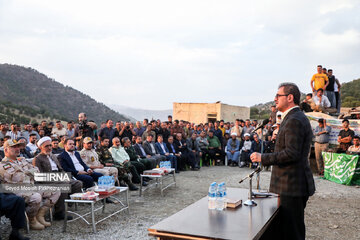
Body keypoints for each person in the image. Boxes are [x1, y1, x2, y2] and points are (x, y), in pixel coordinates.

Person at [250, 82, 315, 240]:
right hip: (289, 184)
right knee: (284, 229)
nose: (275, 99)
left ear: (290, 97)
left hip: (291, 185)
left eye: (278, 95)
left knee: (292, 232)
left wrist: (262, 158)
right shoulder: (293, 117)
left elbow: (291, 153)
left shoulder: (295, 119)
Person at [0, 139, 61, 230]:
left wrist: (26, 173)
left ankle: (40, 214)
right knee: (36, 197)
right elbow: (18, 179)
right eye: (13, 147)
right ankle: (31, 220)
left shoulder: (22, 160)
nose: (17, 149)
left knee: (55, 190)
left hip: (30, 187)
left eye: (18, 146)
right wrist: (29, 173)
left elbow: (37, 171)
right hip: (15, 190)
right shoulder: (3, 165)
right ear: (6, 150)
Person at [34, 136, 82, 220]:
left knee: (78, 183)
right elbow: (39, 177)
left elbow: (61, 169)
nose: (49, 148)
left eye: (50, 145)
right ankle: (59, 213)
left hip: (59, 177)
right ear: (40, 147)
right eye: (46, 146)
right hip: (48, 180)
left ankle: (66, 203)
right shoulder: (37, 159)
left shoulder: (53, 156)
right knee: (64, 185)